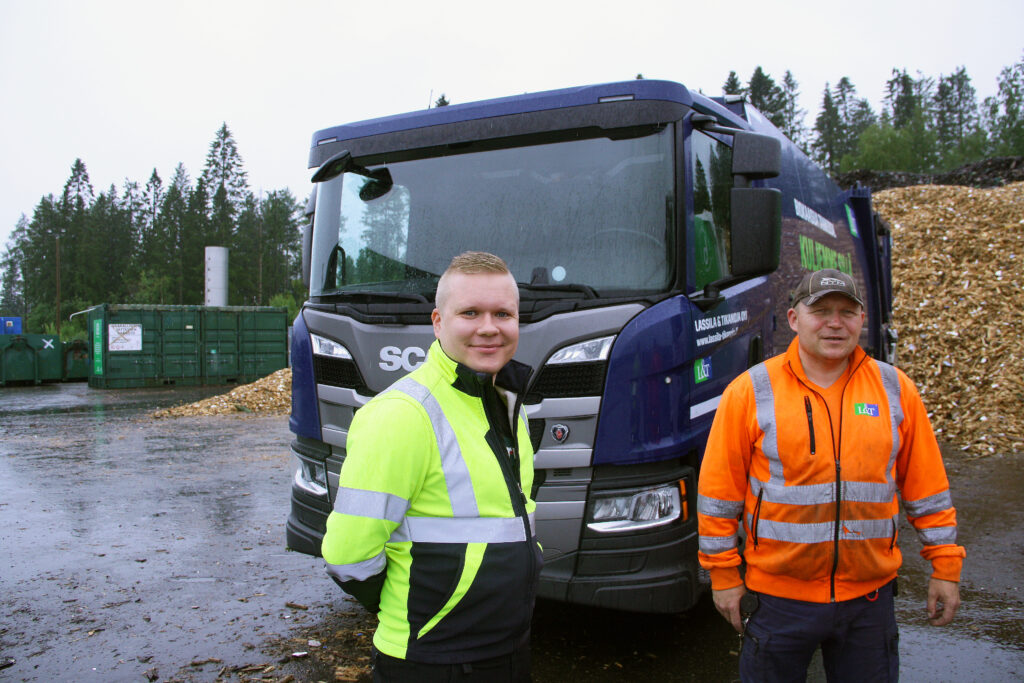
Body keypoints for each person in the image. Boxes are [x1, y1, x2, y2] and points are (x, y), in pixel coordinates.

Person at [697, 268, 965, 682]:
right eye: (820, 311)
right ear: (793, 319)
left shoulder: (894, 389)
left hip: (868, 603)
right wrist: (723, 576)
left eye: (847, 311)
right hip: (777, 602)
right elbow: (718, 495)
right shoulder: (752, 391)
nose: (835, 322)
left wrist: (945, 567)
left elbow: (927, 489)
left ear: (862, 320)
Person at [321, 251, 540, 682]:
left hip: (508, 651)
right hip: (431, 662)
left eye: (503, 313)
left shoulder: (509, 405)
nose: (489, 327)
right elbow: (348, 557)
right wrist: (418, 611)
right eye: (470, 313)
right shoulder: (404, 414)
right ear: (438, 322)